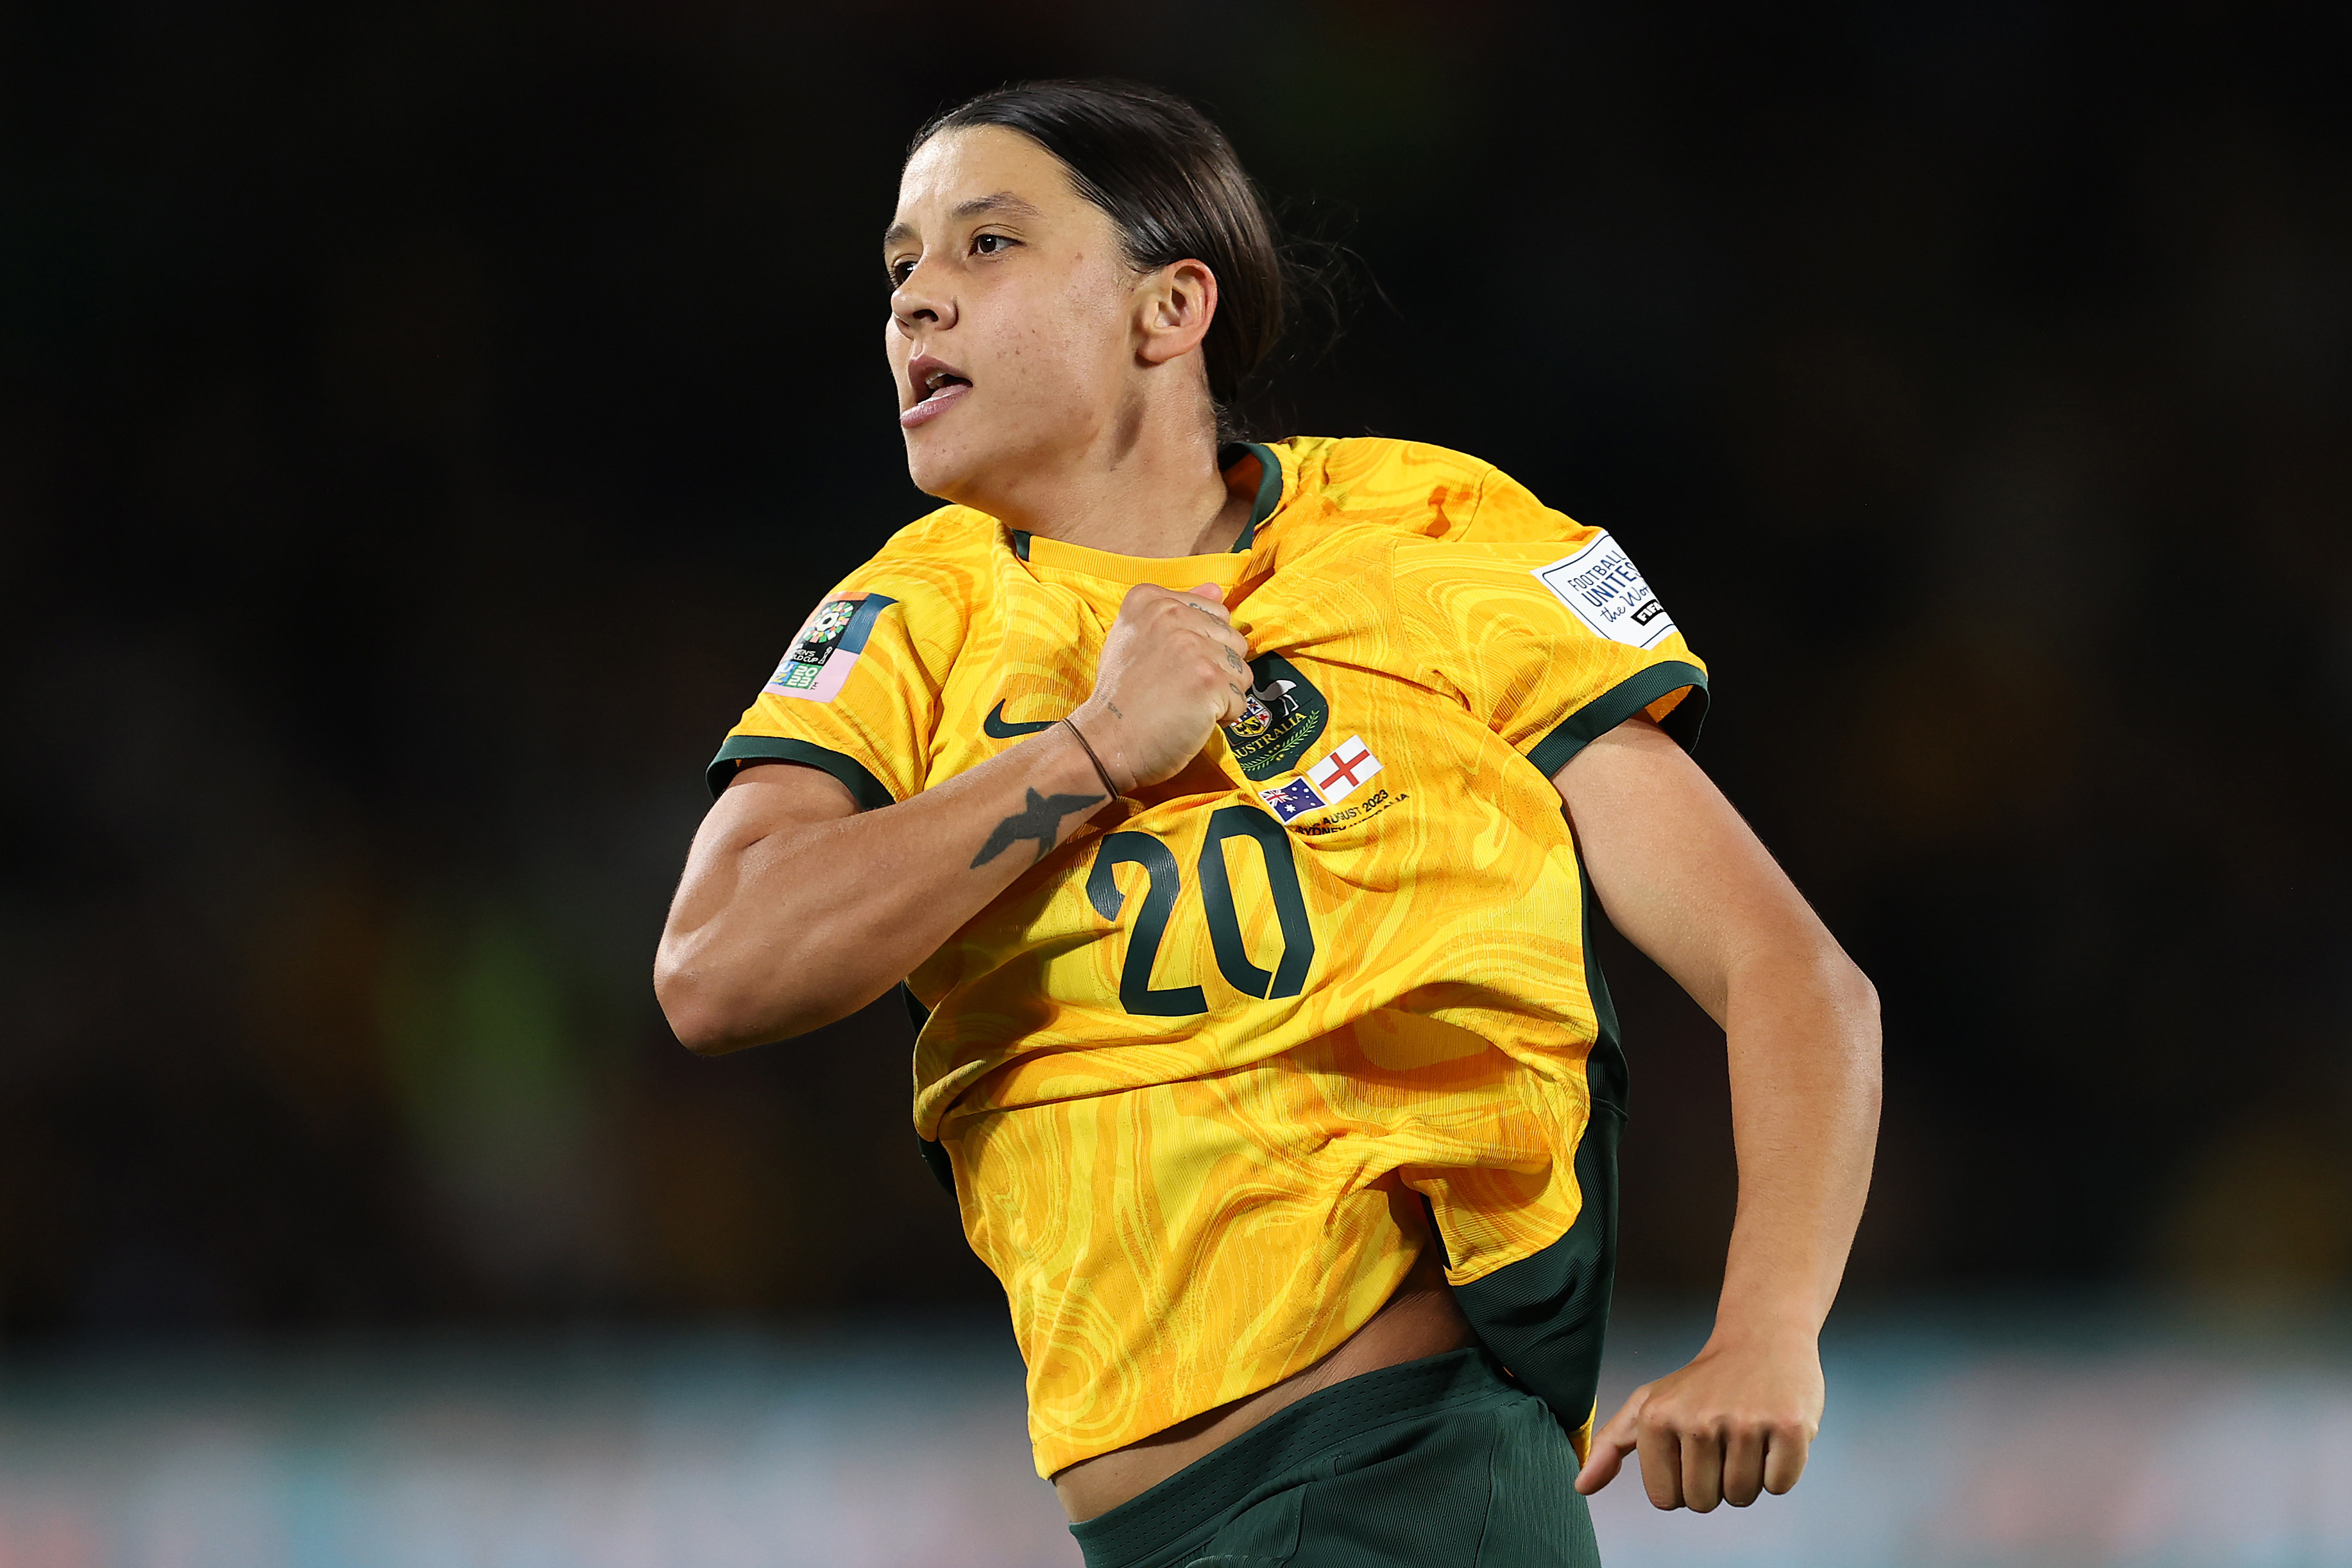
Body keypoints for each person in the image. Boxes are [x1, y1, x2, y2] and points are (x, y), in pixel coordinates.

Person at [654, 79, 1879, 1567]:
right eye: (902, 264)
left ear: (1169, 308)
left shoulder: (1434, 541)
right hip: (1153, 1535)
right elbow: (714, 969)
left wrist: (1767, 1330)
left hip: (1398, 1482)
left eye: (987, 245)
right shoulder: (907, 615)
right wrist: (1093, 750)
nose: (917, 300)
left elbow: (1790, 971)